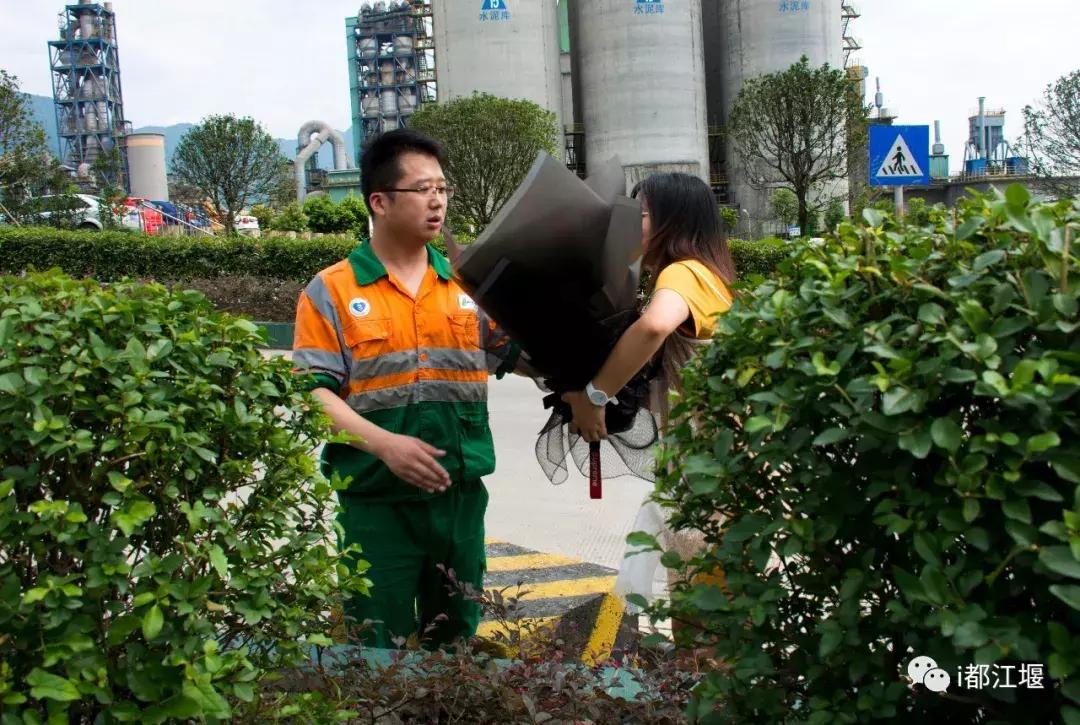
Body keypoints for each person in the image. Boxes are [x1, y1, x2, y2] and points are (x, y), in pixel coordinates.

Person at [291, 129, 520, 649]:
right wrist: (384, 445)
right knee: (375, 646)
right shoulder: (331, 290)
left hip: (458, 499)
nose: (437, 200)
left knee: (456, 643)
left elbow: (519, 356)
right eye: (422, 189)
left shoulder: (468, 284)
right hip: (376, 504)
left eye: (443, 188)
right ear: (380, 201)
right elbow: (312, 394)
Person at [562, 171, 737, 608]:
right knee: (719, 610)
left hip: (708, 474)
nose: (631, 225)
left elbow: (656, 325)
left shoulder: (683, 273)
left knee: (705, 614)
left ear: (673, 222)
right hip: (720, 466)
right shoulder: (710, 274)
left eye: (640, 215)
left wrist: (595, 395)